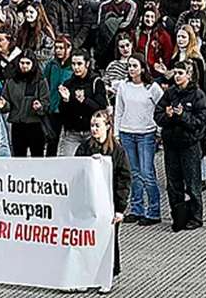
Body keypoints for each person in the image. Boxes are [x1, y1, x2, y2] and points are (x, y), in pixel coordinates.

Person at [76, 110, 131, 290]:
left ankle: (105, 277)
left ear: (107, 127)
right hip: (88, 203)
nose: (94, 129)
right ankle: (86, 277)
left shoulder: (117, 151)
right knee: (87, 241)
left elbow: (124, 180)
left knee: (108, 241)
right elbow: (75, 170)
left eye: (97, 126)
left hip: (109, 203)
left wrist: (120, 209)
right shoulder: (85, 148)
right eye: (92, 126)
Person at [155, 61, 206, 232]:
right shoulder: (170, 93)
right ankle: (178, 215)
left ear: (189, 75)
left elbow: (200, 122)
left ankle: (196, 216)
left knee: (192, 183)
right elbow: (157, 115)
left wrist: (183, 115)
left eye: (181, 73)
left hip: (189, 145)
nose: (177, 76)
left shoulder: (198, 95)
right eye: (176, 72)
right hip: (171, 144)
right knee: (173, 183)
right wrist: (167, 114)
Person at [113, 56, 163, 225]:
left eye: (135, 66)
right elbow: (118, 110)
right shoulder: (123, 86)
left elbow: (161, 107)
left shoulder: (152, 87)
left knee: (147, 173)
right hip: (127, 132)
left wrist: (159, 130)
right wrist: (116, 133)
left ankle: (154, 211)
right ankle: (136, 208)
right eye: (129, 66)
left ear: (143, 68)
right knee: (133, 173)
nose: (131, 69)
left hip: (146, 133)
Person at [0, 53, 50, 157]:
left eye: (27, 63)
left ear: (33, 64)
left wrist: (40, 106)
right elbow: (7, 102)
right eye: (22, 63)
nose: (24, 66)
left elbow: (46, 103)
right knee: (18, 157)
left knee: (37, 157)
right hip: (17, 125)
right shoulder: (11, 81)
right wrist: (3, 105)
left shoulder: (40, 81)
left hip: (35, 124)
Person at [56, 51, 108, 157]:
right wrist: (66, 100)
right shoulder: (68, 83)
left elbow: (101, 108)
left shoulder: (96, 82)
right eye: (73, 64)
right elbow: (62, 112)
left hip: (91, 132)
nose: (76, 67)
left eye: (79, 64)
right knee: (68, 164)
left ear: (87, 64)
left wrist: (85, 100)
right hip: (72, 133)